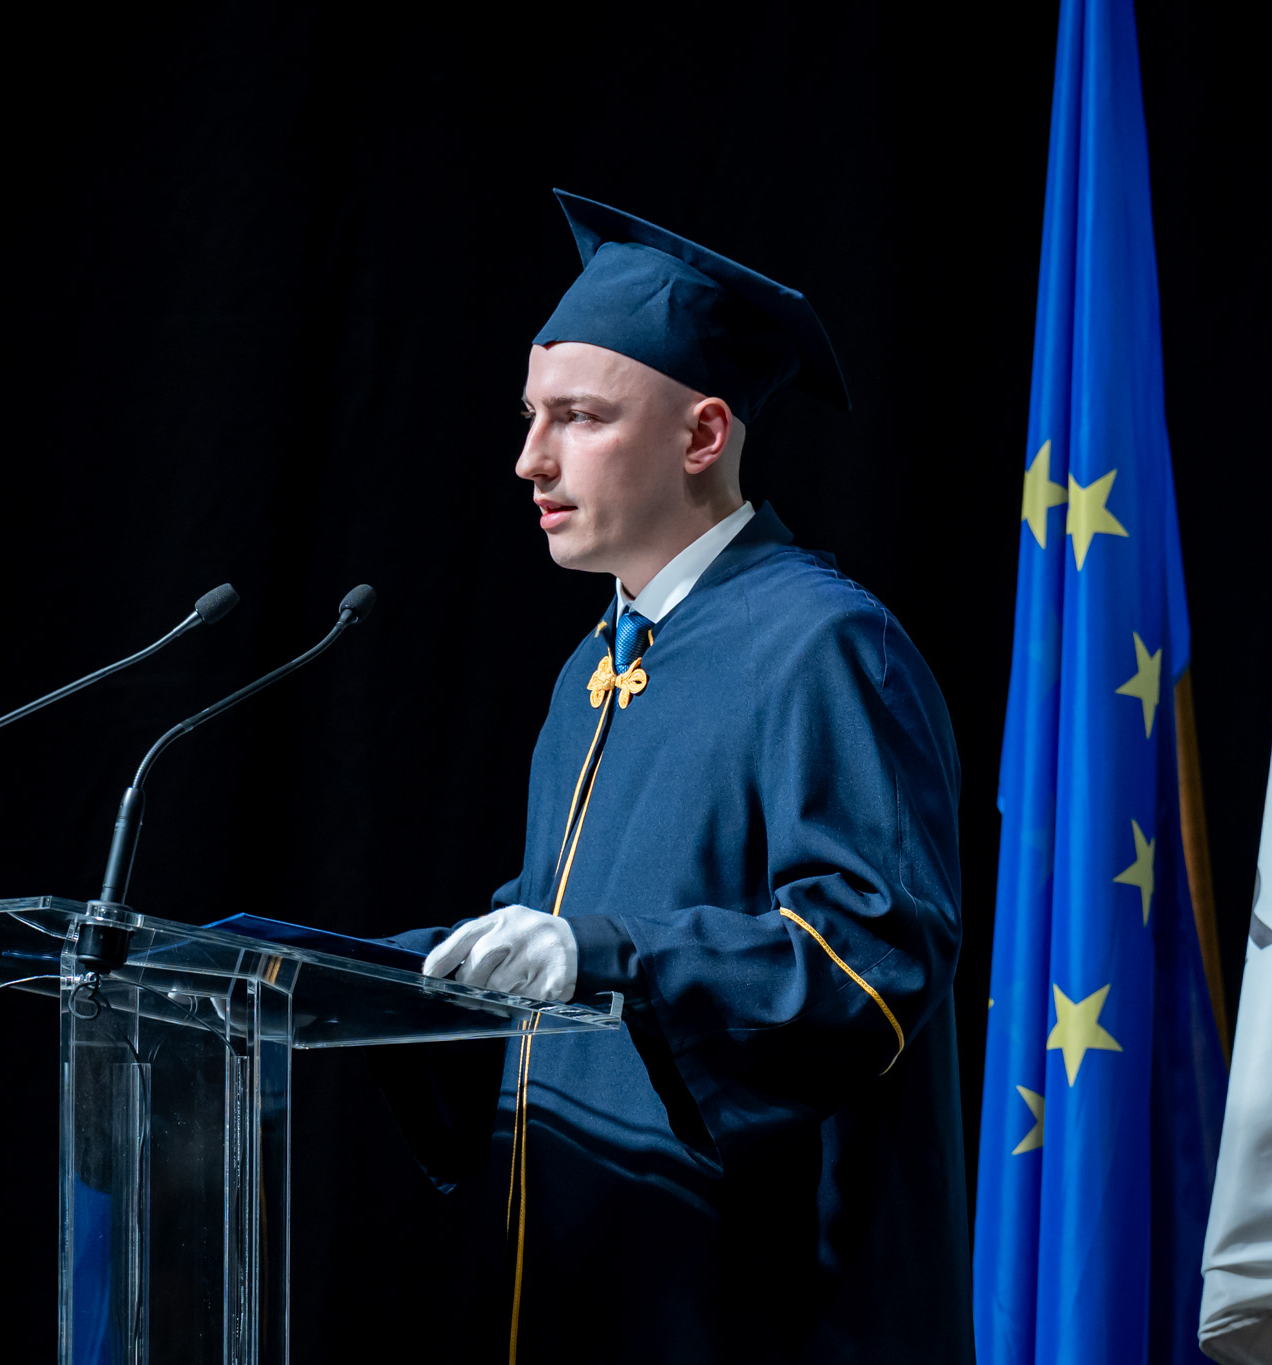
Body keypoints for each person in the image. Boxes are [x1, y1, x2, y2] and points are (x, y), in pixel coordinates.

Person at [377, 191, 969, 1362]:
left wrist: (609, 952)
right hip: (585, 1280)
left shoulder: (821, 644)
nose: (526, 458)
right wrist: (381, 978)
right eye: (529, 415)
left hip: (753, 1300)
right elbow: (551, 922)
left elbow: (876, 955)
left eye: (577, 418)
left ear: (702, 436)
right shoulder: (591, 667)